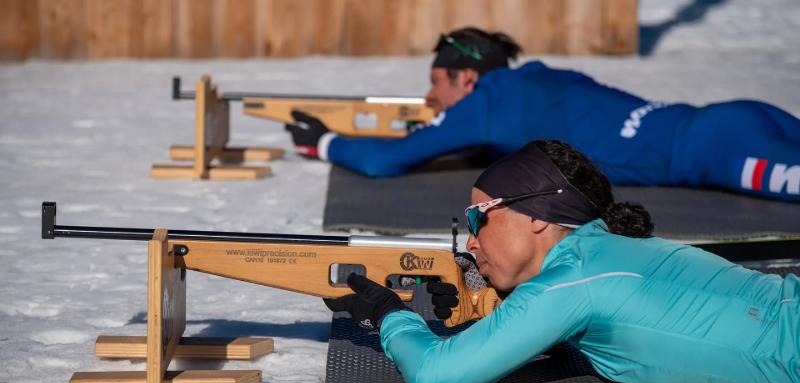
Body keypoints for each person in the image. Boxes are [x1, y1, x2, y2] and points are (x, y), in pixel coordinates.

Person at [323, 140, 800, 383]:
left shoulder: (572, 284)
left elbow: (435, 376)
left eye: (478, 217)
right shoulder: (606, 251)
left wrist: (390, 314)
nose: (471, 238)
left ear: (536, 215)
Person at [284, 27, 800, 202]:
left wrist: (324, 141)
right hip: (739, 118)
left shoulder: (486, 101)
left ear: (466, 79)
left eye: (436, 82)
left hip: (719, 154)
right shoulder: (540, 77)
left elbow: (385, 161)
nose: (428, 96)